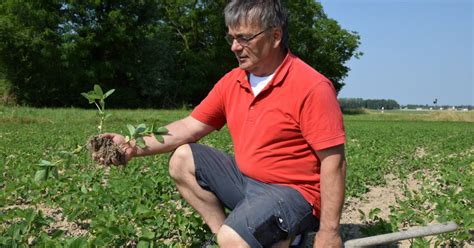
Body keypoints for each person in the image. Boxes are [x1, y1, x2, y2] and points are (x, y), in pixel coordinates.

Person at [100, 0, 346, 247]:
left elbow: (333, 162)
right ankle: (231, 237)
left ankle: (265, 236)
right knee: (182, 158)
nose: (235, 47)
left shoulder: (312, 87)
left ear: (275, 35)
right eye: (231, 38)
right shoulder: (233, 82)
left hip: (294, 195)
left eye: (244, 38)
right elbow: (189, 127)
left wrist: (330, 233)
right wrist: (130, 145)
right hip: (247, 182)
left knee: (234, 238)